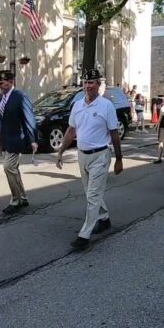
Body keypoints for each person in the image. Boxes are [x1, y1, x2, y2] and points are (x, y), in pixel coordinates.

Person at [56, 69, 123, 251]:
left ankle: (84, 234)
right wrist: (61, 151)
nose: (88, 86)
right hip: (82, 155)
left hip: (100, 155)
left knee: (92, 195)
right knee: (89, 192)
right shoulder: (77, 105)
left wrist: (119, 159)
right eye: (86, 82)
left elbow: (114, 134)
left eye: (92, 82)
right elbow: (71, 130)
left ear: (98, 85)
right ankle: (104, 218)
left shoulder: (106, 106)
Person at [0, 70, 38, 214]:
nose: (1, 84)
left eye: (4, 81)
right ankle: (24, 197)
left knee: (8, 167)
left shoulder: (20, 97)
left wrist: (33, 139)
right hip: (4, 141)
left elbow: (29, 118)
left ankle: (15, 199)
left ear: (11, 81)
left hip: (16, 140)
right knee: (14, 170)